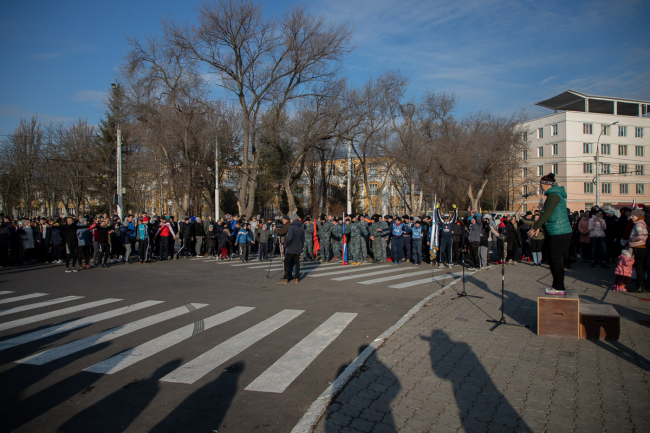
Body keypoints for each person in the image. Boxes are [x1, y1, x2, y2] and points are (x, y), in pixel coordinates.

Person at [528, 173, 573, 295]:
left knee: (555, 259)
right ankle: (556, 285)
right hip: (556, 230)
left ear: (546, 184)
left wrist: (536, 226)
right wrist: (541, 227)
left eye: (541, 185)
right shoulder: (553, 195)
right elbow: (549, 214)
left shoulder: (553, 196)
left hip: (559, 231)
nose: (540, 187)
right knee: (552, 258)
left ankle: (559, 287)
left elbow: (547, 214)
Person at [278, 213, 304, 284]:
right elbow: (303, 238)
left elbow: (289, 238)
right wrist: (301, 246)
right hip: (298, 247)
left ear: (292, 220)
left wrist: (286, 244)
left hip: (291, 247)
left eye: (291, 220)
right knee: (297, 262)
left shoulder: (292, 227)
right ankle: (296, 277)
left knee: (286, 262)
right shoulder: (301, 227)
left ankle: (286, 278)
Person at [628, 209, 648, 292]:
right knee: (641, 267)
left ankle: (639, 286)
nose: (631, 217)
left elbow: (641, 236)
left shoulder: (638, 225)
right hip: (642, 247)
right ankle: (641, 285)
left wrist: (632, 239)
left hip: (639, 247)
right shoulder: (642, 223)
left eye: (633, 216)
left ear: (638, 216)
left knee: (639, 267)